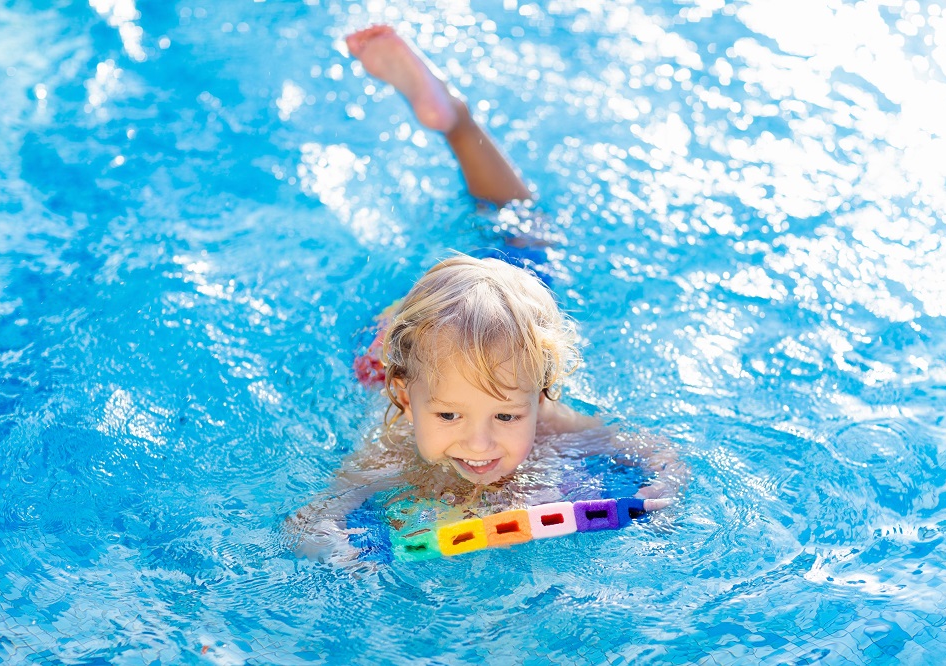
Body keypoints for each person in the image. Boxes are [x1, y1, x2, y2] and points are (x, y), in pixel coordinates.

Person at [287, 25, 686, 565]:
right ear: (405, 400)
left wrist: (663, 486)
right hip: (387, 345)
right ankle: (456, 120)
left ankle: (455, 119)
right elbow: (313, 518)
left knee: (523, 233)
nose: (479, 444)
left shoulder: (551, 419)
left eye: (505, 417)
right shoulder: (390, 447)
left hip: (483, 324)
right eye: (449, 416)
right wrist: (329, 542)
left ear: (540, 397)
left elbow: (658, 453)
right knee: (524, 228)